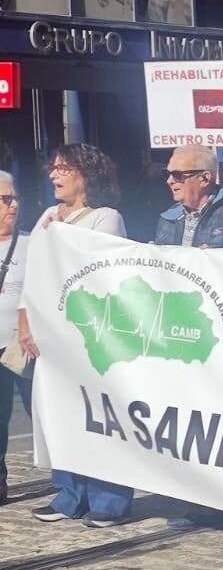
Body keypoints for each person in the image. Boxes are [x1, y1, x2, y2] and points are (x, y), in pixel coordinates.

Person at [21, 144, 132, 528]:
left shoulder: (106, 217)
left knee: (101, 415)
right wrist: (25, 321)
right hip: (51, 335)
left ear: (86, 174)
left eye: (64, 169)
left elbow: (102, 269)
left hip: (91, 335)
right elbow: (33, 272)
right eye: (53, 169)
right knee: (62, 414)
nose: (54, 176)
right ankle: (69, 494)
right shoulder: (49, 215)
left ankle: (110, 499)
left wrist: (62, 237)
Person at [152, 145, 223, 250]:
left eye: (177, 175)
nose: (169, 181)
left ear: (205, 178)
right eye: (167, 174)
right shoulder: (168, 218)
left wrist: (217, 260)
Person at [0, 171, 27, 504]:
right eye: (5, 199)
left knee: (41, 411)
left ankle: (69, 482)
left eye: (15, 198)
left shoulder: (32, 242)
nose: (14, 205)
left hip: (22, 345)